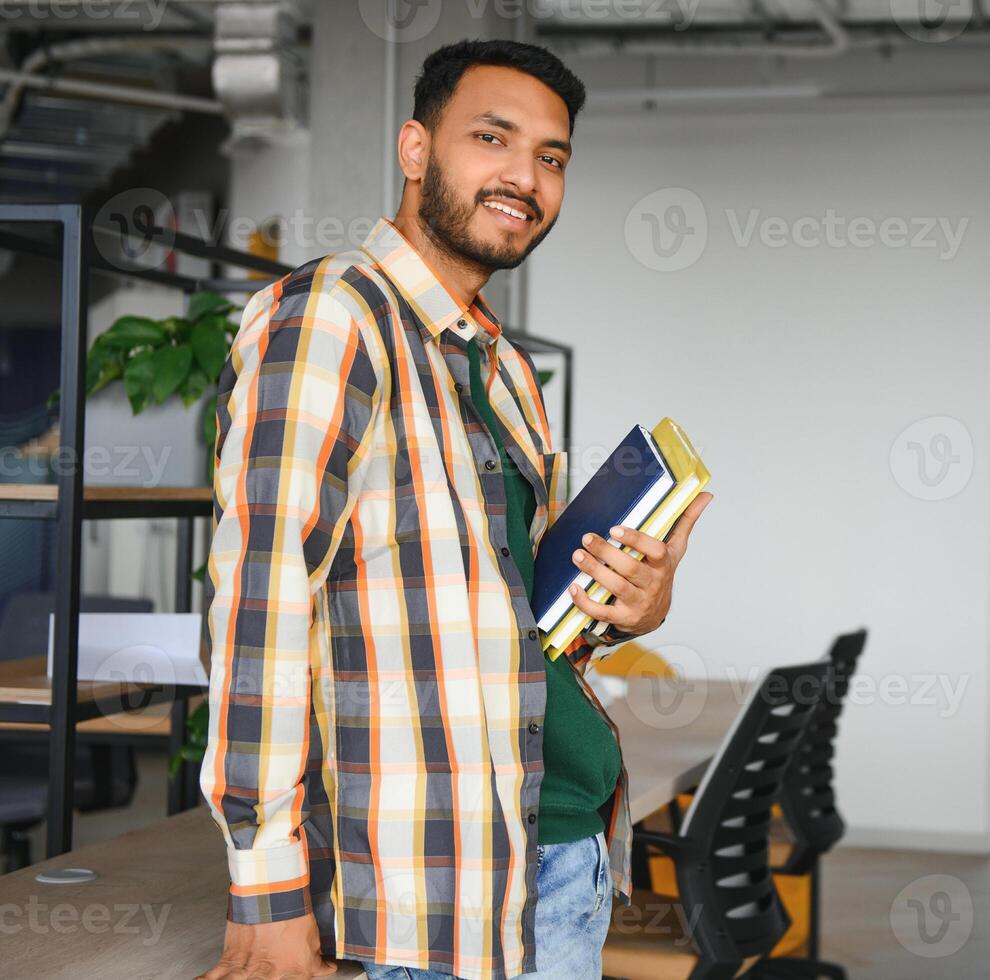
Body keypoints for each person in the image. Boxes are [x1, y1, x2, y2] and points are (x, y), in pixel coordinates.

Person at [196, 39, 712, 980]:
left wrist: (626, 608)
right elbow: (258, 604)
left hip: (560, 854)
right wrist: (266, 888)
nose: (525, 175)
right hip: (427, 897)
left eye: (551, 157)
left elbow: (516, 628)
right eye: (492, 138)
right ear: (415, 149)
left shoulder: (503, 366)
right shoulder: (331, 319)